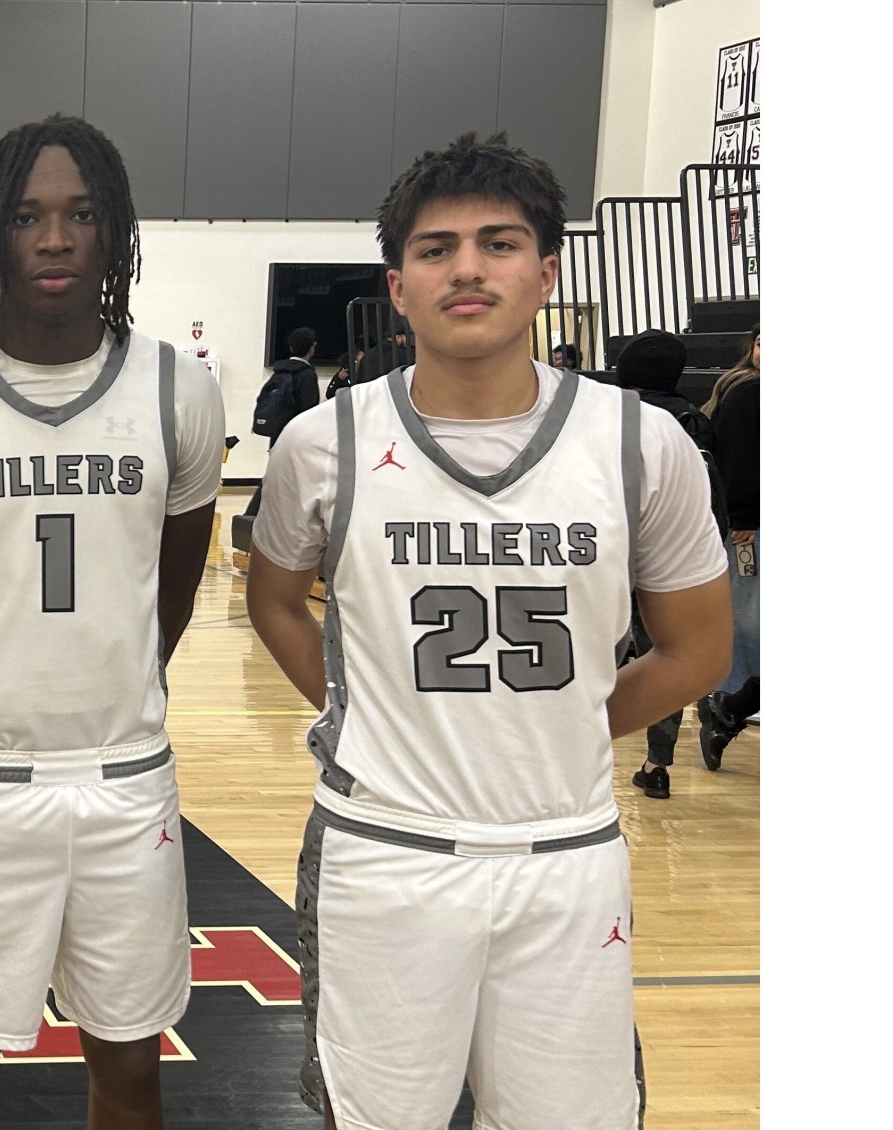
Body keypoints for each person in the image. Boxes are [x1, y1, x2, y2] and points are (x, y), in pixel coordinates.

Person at [244, 132, 730, 1130]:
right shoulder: (321, 441)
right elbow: (270, 595)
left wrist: (567, 723)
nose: (465, 267)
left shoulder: (642, 441)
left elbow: (698, 649)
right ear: (399, 283)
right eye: (435, 248)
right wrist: (359, 710)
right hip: (382, 844)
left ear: (545, 271)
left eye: (497, 243)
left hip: (563, 848)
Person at [0, 114, 224, 1130]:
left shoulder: (172, 388)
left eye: (79, 214)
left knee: (131, 1060)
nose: (54, 239)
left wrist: (121, 671)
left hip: (123, 776)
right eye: (26, 217)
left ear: (114, 233)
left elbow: (177, 579)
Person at [614, 330, 724, 798]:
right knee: (669, 656)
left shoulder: (614, 420)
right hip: (682, 560)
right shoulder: (695, 420)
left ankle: (576, 744)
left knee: (607, 651)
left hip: (614, 555)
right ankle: (657, 763)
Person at [695, 327, 760, 768]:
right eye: (761, 341)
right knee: (750, 620)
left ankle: (728, 706)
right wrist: (744, 519)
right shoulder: (748, 394)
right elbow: (740, 462)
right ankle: (726, 703)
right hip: (752, 530)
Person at [246, 327, 321, 516]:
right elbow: (309, 410)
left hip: (277, 434)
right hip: (297, 438)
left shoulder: (280, 371)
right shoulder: (307, 374)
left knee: (274, 476)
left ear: (291, 348)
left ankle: (254, 517)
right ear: (311, 348)